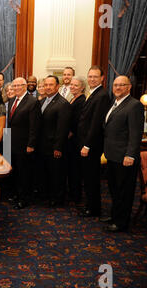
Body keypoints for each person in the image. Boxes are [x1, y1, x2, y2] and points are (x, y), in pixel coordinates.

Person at [103, 75, 143, 233]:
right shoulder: (115, 103)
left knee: (124, 192)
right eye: (115, 85)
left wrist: (130, 155)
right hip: (112, 155)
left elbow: (135, 134)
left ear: (129, 87)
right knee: (114, 189)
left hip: (125, 157)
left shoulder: (134, 105)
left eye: (122, 85)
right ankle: (115, 216)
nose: (118, 88)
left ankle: (121, 222)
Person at [78, 66, 111, 218]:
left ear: (102, 78)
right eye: (90, 76)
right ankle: (90, 205)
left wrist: (87, 145)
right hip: (86, 143)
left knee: (91, 178)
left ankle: (93, 208)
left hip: (91, 145)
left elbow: (96, 123)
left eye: (95, 77)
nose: (92, 79)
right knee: (87, 176)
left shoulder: (102, 95)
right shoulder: (93, 93)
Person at [6, 77, 41, 209]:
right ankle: (17, 194)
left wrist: (31, 145)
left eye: (19, 86)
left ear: (25, 86)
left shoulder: (32, 102)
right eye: (14, 86)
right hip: (13, 144)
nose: (16, 88)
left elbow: (34, 126)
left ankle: (24, 199)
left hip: (25, 145)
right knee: (15, 172)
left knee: (24, 173)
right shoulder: (11, 101)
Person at [36, 75, 71, 207]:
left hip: (54, 146)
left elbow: (63, 129)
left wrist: (58, 147)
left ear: (57, 86)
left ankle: (57, 199)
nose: (48, 87)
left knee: (57, 174)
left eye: (51, 85)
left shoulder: (63, 104)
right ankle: (47, 195)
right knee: (45, 172)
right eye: (46, 85)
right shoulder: (42, 101)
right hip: (43, 145)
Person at [66, 76, 87, 204]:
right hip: (70, 140)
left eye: (76, 85)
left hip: (75, 140)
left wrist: (71, 132)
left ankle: (76, 196)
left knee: (75, 169)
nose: (72, 87)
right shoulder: (73, 98)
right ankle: (73, 193)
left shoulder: (82, 101)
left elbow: (78, 121)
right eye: (71, 85)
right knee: (71, 168)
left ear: (82, 87)